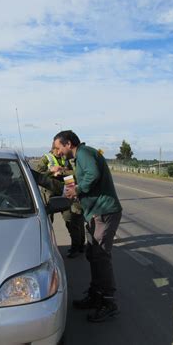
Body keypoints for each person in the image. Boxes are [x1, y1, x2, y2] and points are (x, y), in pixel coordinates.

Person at [53, 130, 122, 322]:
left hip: (104, 212)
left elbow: (93, 174)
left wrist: (77, 189)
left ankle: (109, 302)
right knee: (92, 254)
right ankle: (96, 295)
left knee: (100, 256)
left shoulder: (84, 153)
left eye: (58, 147)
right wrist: (68, 180)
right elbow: (82, 175)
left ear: (68, 144)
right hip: (95, 213)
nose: (57, 152)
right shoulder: (80, 156)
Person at [37, 145, 85, 258]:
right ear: (53, 148)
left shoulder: (65, 158)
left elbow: (74, 173)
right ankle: (46, 249)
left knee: (72, 219)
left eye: (60, 149)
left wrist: (63, 171)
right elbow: (38, 175)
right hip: (49, 192)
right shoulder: (46, 158)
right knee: (47, 221)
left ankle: (76, 247)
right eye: (57, 149)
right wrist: (51, 171)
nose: (60, 152)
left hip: (66, 190)